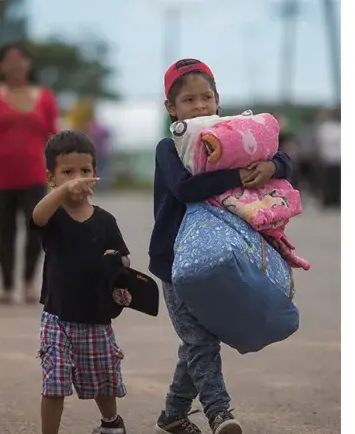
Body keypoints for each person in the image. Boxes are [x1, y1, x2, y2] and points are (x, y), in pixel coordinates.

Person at [150, 58, 293, 434]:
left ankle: (173, 415)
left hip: (226, 255)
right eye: (189, 100)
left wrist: (271, 167)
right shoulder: (170, 148)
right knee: (199, 340)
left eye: (206, 98)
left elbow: (281, 156)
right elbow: (185, 188)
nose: (199, 107)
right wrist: (238, 175)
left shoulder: (233, 140)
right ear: (171, 108)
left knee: (201, 340)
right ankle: (219, 413)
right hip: (176, 260)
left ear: (218, 100)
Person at [31, 131, 130, 434]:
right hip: (57, 315)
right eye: (68, 172)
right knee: (55, 381)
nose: (77, 179)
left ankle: (111, 423)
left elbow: (123, 260)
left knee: (102, 377)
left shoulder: (105, 221)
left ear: (95, 175)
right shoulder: (53, 217)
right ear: (52, 178)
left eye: (85, 171)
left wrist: (122, 280)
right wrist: (61, 194)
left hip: (97, 316)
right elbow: (37, 216)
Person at [0, 42, 59, 305]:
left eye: (20, 59)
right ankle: (6, 285)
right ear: (1, 65)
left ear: (29, 64)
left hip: (34, 173)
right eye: (9, 60)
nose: (15, 65)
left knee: (35, 228)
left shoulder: (44, 96)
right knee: (5, 230)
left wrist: (61, 169)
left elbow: (53, 135)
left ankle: (28, 283)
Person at [315, 107, 341, 208]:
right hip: (329, 159)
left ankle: (334, 200)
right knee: (329, 182)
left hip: (335, 159)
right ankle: (329, 200)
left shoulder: (337, 127)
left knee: (335, 182)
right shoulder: (326, 128)